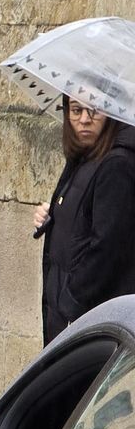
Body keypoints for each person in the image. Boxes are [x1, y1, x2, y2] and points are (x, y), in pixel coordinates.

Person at [36, 96, 135, 343]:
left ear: (111, 113)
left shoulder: (117, 163)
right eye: (76, 110)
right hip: (68, 313)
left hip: (88, 316)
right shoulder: (84, 156)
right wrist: (54, 215)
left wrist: (72, 301)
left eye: (94, 111)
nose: (84, 120)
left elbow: (107, 245)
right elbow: (83, 216)